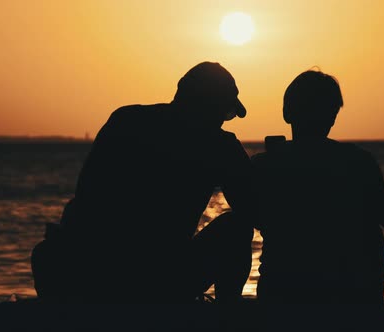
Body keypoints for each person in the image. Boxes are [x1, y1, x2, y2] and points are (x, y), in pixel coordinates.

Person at [31, 61, 255, 304]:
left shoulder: (126, 120)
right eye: (225, 112)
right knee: (237, 227)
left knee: (47, 253)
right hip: (161, 281)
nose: (224, 121)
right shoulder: (219, 146)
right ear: (209, 106)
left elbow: (85, 194)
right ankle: (228, 317)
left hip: (90, 272)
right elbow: (254, 209)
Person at [251, 69, 384, 307]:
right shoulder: (358, 161)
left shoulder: (265, 163)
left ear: (287, 113)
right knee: (371, 230)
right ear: (332, 116)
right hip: (347, 292)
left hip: (282, 291)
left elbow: (256, 217)